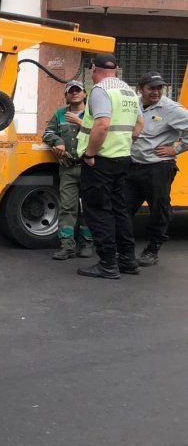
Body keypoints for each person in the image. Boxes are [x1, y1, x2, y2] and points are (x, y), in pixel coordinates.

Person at [76, 53, 143, 279]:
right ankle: (127, 260)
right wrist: (124, 142)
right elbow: (139, 125)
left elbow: (102, 125)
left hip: (101, 161)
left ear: (93, 68)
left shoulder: (100, 90)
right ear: (116, 69)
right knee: (119, 210)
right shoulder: (129, 92)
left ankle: (107, 264)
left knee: (98, 211)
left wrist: (89, 154)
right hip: (122, 158)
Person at [125, 72, 188, 267]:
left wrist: (176, 148)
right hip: (133, 166)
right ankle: (123, 248)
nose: (156, 91)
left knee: (159, 210)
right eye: (151, 88)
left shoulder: (171, 108)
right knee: (122, 209)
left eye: (159, 87)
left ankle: (153, 248)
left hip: (158, 168)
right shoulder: (133, 104)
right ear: (140, 89)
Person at [43, 80, 93, 259]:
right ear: (66, 95)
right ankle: (67, 246)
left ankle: (87, 244)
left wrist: (80, 122)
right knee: (67, 208)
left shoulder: (93, 113)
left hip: (90, 168)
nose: (74, 93)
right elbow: (47, 133)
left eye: (78, 90)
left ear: (84, 94)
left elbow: (101, 132)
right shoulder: (60, 114)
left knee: (89, 207)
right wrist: (58, 141)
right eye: (70, 91)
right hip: (68, 169)